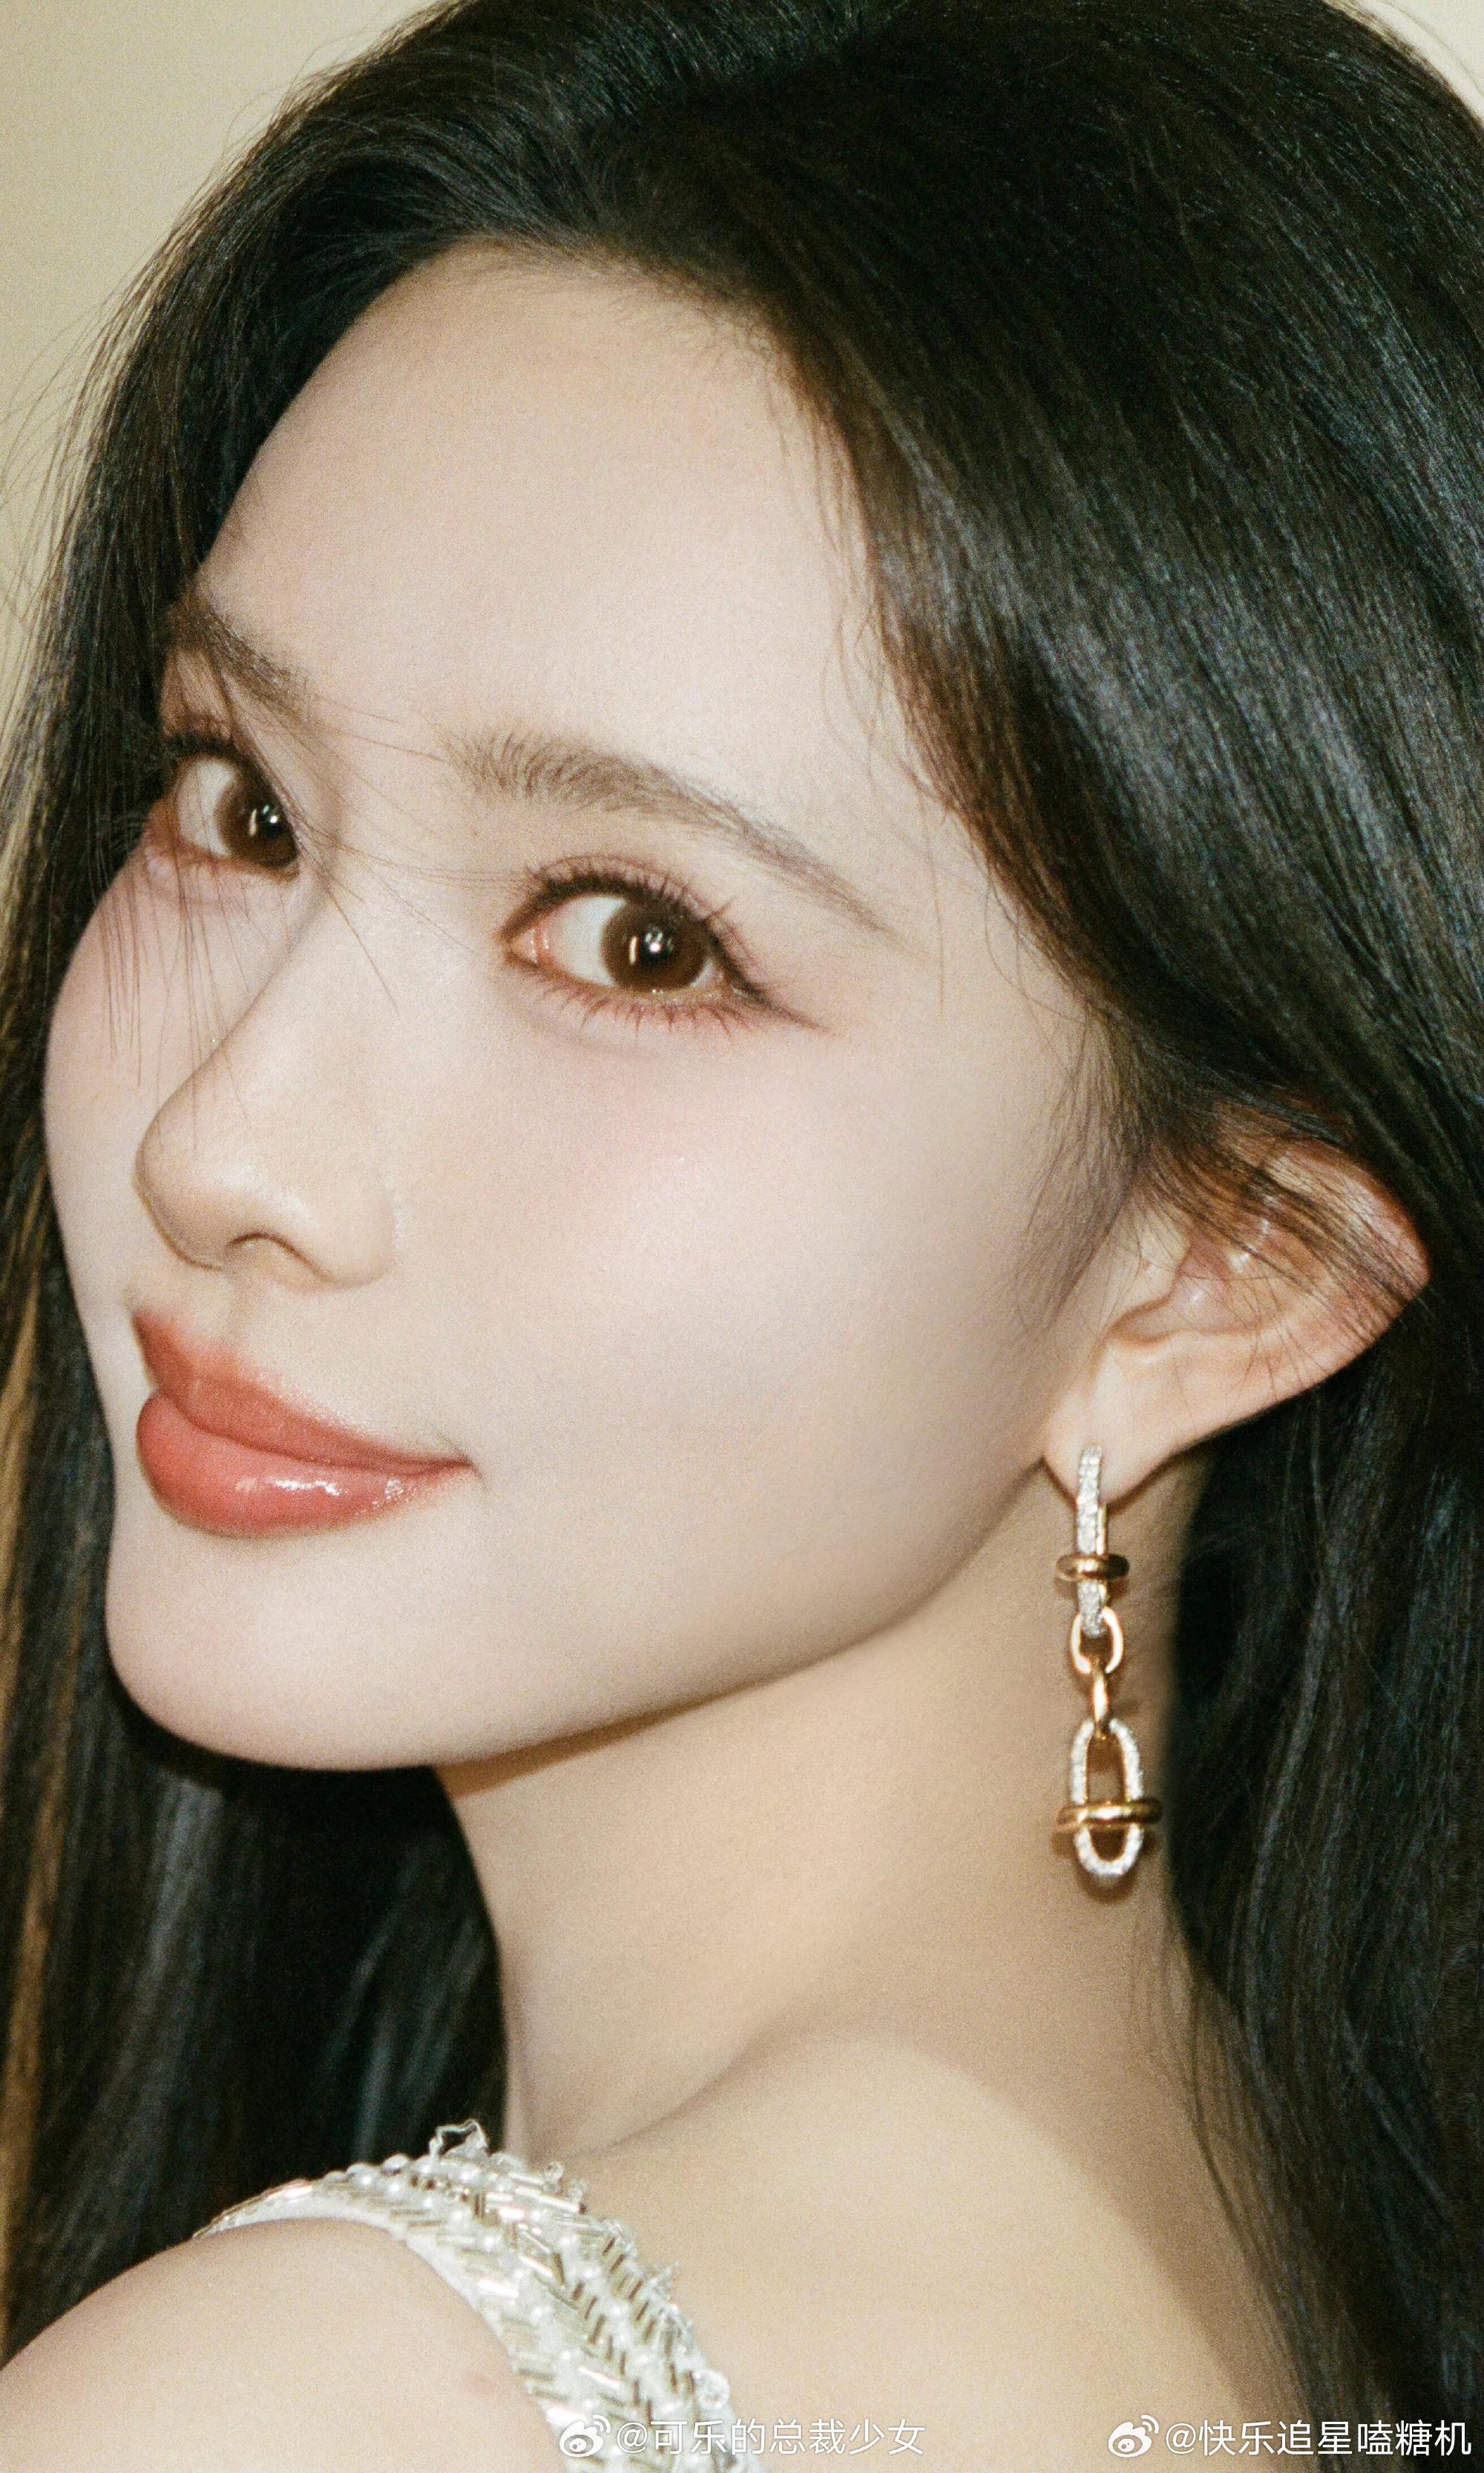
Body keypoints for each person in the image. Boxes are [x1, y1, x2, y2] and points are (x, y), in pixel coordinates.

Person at [0, 0, 1477, 2460]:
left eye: (638, 942)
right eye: (240, 805)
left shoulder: (320, 2413)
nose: (224, 1149)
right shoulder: (1274, 2294)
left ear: (1229, 1265)